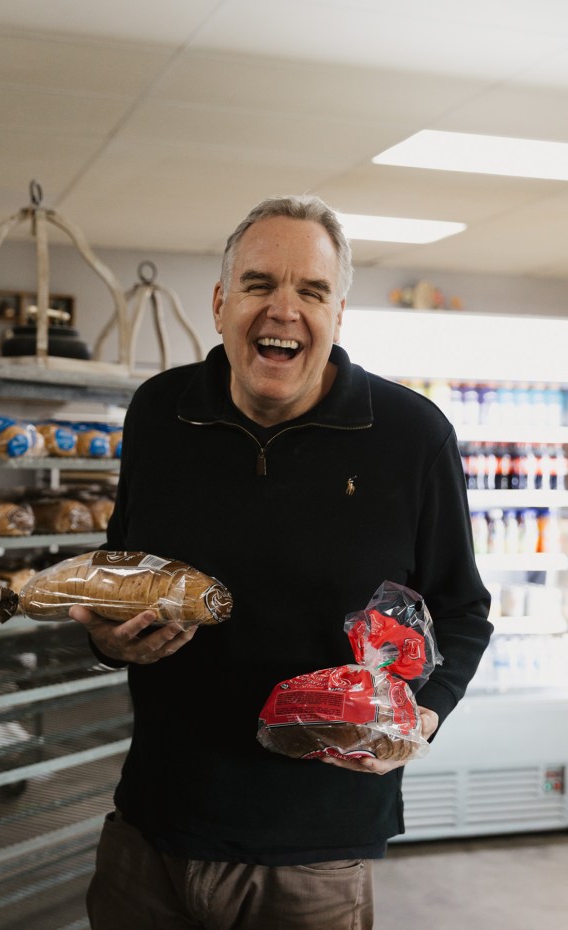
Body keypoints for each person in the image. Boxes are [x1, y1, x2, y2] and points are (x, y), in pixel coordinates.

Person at [70, 194, 492, 930]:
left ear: (339, 314)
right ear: (220, 301)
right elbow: (121, 572)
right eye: (260, 284)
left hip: (317, 851)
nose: (284, 310)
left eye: (313, 291)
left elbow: (461, 610)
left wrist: (422, 717)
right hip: (152, 829)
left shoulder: (410, 436)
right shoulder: (158, 414)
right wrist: (106, 639)